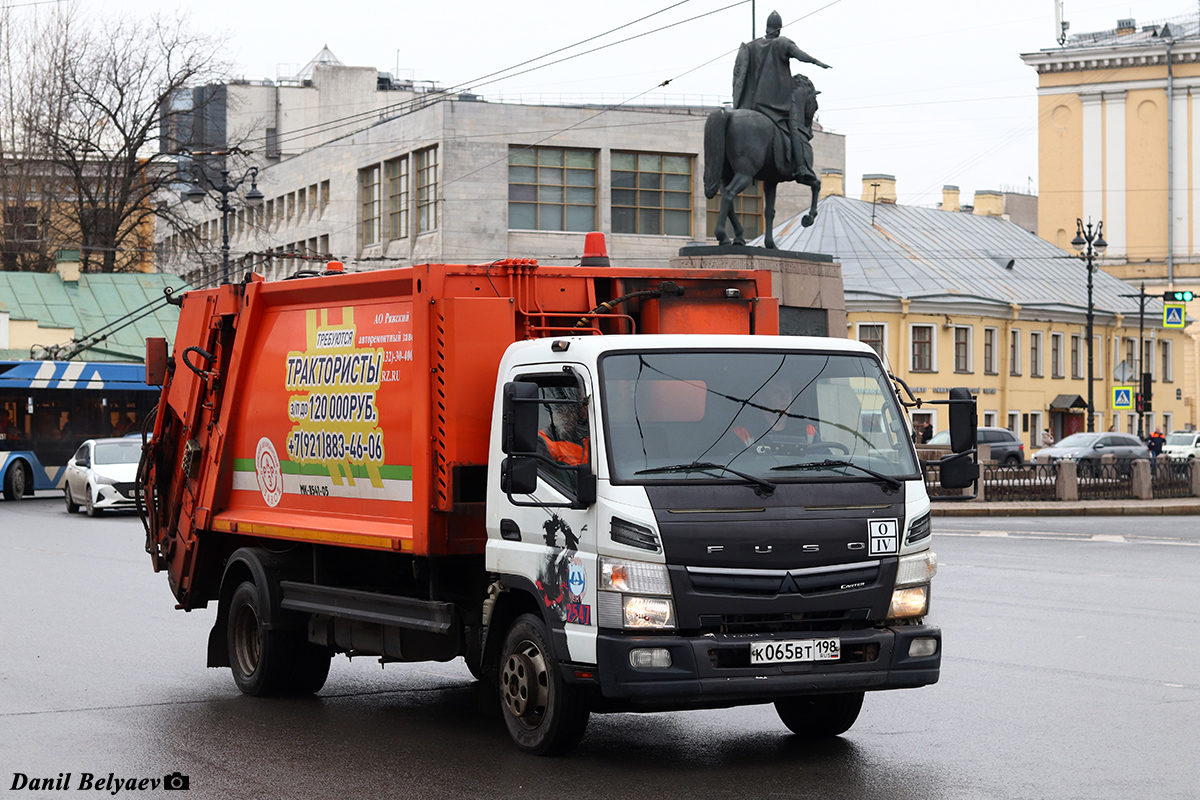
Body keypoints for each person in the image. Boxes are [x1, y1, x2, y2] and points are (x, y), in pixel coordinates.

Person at [732, 10, 830, 182]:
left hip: (752, 103)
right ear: (779, 28)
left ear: (767, 27)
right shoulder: (782, 43)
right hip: (777, 102)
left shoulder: (752, 46)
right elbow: (799, 55)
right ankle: (801, 167)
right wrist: (816, 61)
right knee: (794, 128)